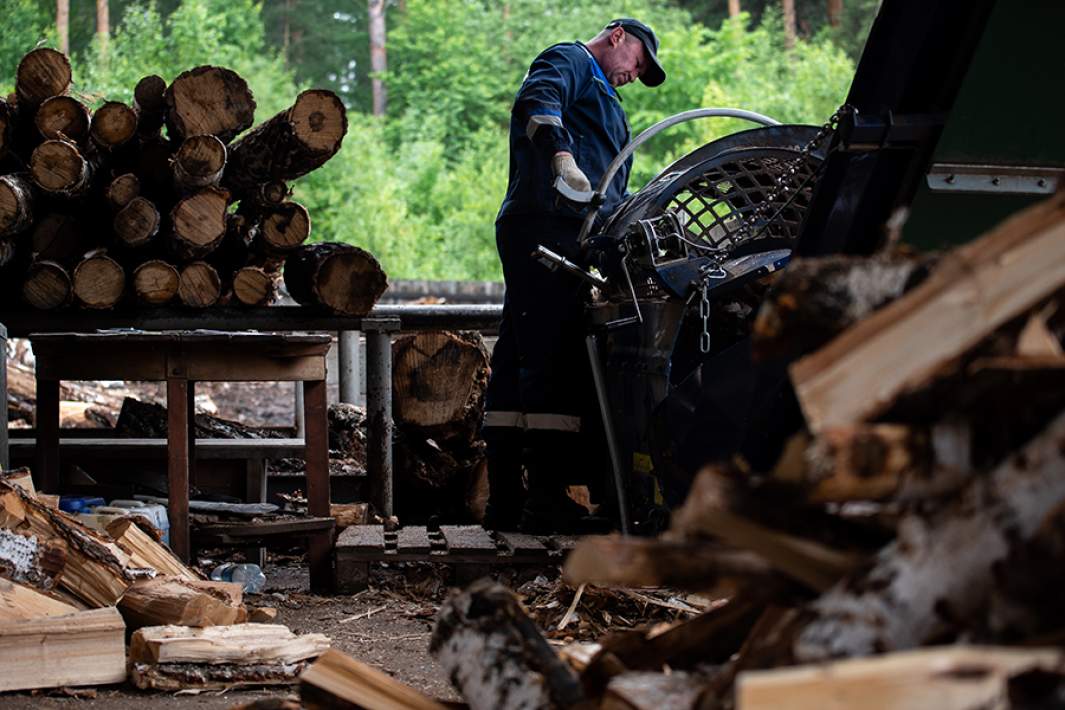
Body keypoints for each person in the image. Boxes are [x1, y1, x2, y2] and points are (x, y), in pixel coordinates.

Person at [482, 19, 666, 532]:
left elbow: (610, 178)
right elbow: (538, 100)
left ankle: (504, 501)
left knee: (520, 349)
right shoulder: (569, 60)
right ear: (616, 37)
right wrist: (561, 160)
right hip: (547, 223)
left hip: (558, 229)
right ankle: (543, 499)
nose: (636, 73)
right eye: (638, 61)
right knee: (552, 356)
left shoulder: (602, 93)